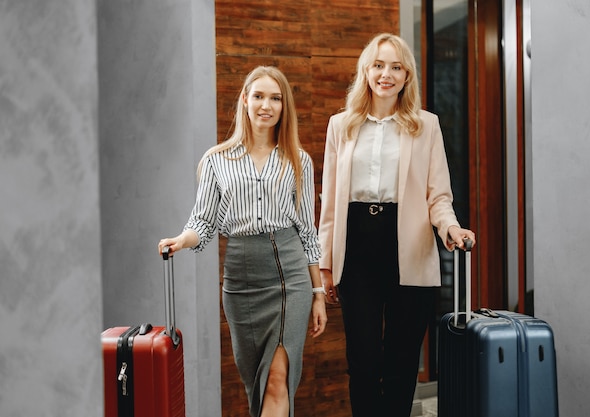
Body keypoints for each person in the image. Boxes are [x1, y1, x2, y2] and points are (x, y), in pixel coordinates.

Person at [318, 33, 476, 417]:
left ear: (407, 76)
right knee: (364, 362)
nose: (385, 74)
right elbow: (330, 203)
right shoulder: (341, 126)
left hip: (410, 249)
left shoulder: (426, 126)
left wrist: (451, 229)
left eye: (396, 67)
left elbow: (438, 196)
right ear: (365, 71)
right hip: (356, 251)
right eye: (378, 65)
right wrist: (325, 264)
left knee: (403, 364)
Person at [158, 66, 327, 417]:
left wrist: (317, 294)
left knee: (278, 378)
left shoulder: (299, 161)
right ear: (245, 101)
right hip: (242, 280)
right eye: (259, 96)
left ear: (285, 106)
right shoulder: (216, 161)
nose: (267, 105)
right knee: (257, 383)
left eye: (276, 98)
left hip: (289, 278)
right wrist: (180, 240)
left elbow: (308, 232)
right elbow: (202, 222)